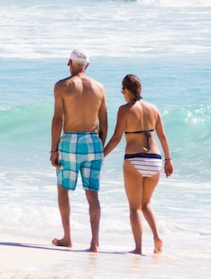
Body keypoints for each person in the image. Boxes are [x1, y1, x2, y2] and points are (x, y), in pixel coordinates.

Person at [104, 74, 173, 255]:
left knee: (134, 207)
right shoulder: (153, 108)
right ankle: (157, 237)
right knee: (146, 203)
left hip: (135, 159)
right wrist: (168, 160)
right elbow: (163, 136)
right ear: (140, 89)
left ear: (124, 91)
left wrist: (102, 155)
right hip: (155, 160)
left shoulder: (124, 110)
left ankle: (138, 248)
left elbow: (117, 138)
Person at [50, 49, 108, 252]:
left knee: (62, 188)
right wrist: (100, 148)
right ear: (87, 66)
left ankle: (67, 237)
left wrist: (53, 150)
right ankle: (95, 243)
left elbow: (58, 119)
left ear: (69, 62)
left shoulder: (62, 86)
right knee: (92, 194)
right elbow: (104, 122)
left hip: (71, 141)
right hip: (93, 142)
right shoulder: (99, 87)